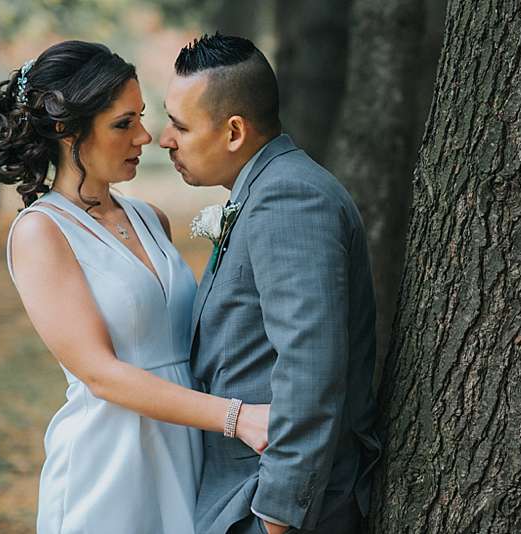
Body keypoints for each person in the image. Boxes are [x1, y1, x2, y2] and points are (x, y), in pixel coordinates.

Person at [0, 40, 270, 534]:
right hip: (111, 461)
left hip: (188, 447)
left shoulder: (151, 218)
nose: (145, 136)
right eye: (123, 123)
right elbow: (101, 374)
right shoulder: (41, 232)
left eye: (141, 116)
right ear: (64, 130)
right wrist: (236, 417)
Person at [160, 33, 382, 534]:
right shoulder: (267, 188)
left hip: (277, 506)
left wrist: (277, 515)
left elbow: (311, 363)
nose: (164, 139)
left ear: (234, 131)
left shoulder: (289, 199)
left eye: (179, 125)